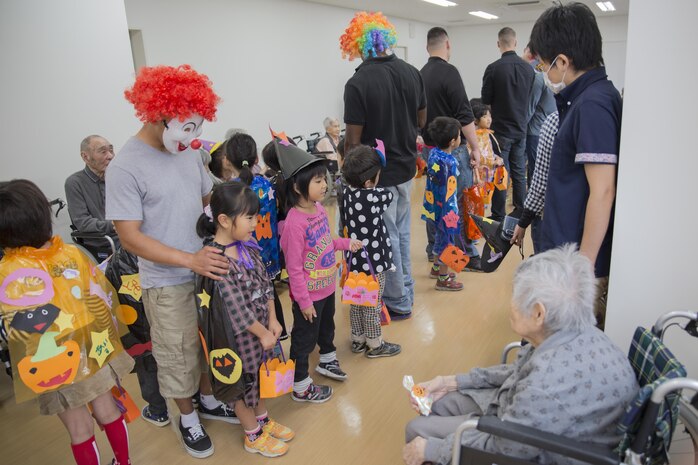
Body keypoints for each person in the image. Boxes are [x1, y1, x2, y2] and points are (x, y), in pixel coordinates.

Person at [402, 245, 638, 465]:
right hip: (521, 413)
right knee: (439, 401)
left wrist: (433, 450)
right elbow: (518, 370)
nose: (510, 304)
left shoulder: (545, 384)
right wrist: (450, 382)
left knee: (417, 430)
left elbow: (504, 447)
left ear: (538, 313)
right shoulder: (581, 332)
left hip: (543, 447)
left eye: (516, 296)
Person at [105, 65, 235, 459]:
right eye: (185, 127)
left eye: (197, 127)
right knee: (176, 353)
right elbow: (130, 236)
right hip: (165, 280)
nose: (192, 137)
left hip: (206, 270)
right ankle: (188, 419)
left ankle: (209, 401)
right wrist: (188, 260)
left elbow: (203, 201)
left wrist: (237, 200)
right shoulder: (125, 166)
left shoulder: (187, 152)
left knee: (206, 342)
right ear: (157, 113)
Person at [0, 179, 135, 465]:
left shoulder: (7, 271)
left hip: (50, 359)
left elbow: (10, 329)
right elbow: (102, 297)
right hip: (92, 345)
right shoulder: (72, 252)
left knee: (79, 428)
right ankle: (124, 463)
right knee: (109, 411)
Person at [529, 2, 622, 326]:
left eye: (544, 65)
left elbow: (603, 191)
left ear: (563, 62)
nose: (544, 73)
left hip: (578, 267)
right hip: (566, 254)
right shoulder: (585, 99)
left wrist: (582, 270)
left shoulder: (592, 104)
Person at [195, 182, 293, 457]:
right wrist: (262, 333)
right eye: (249, 217)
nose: (255, 223)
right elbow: (234, 307)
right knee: (242, 383)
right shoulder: (217, 260)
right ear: (224, 220)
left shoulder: (249, 248)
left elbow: (267, 284)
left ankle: (262, 419)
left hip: (263, 329)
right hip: (239, 337)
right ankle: (252, 434)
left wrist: (273, 320)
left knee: (259, 377)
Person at [342, 11, 426, 320]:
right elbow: (421, 121)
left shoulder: (358, 82)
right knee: (402, 234)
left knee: (386, 238)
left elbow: (352, 142)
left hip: (377, 178)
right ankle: (405, 293)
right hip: (406, 170)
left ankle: (397, 301)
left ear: (359, 45)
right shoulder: (412, 72)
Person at [276, 137, 362, 402]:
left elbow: (326, 242)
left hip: (325, 287)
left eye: (324, 179)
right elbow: (294, 268)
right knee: (303, 340)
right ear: (298, 187)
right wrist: (303, 301)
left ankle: (327, 359)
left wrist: (345, 243)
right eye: (317, 181)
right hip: (308, 297)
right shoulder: (294, 224)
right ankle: (301, 386)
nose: (325, 185)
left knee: (327, 328)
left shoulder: (319, 210)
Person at [420, 27, 483, 271]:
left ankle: (434, 248)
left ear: (427, 48)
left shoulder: (419, 74)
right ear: (448, 44)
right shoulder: (450, 72)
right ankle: (462, 253)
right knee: (457, 202)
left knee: (433, 198)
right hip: (453, 149)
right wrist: (475, 147)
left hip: (429, 148)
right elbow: (464, 114)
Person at [224, 133, 288, 340]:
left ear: (226, 160)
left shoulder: (230, 192)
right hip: (269, 250)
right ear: (256, 160)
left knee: (253, 299)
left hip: (246, 257)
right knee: (270, 293)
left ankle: (261, 337)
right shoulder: (266, 184)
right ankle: (281, 333)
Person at [340, 144, 401, 357]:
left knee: (356, 300)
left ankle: (357, 339)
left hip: (354, 260)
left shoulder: (346, 193)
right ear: (368, 182)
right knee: (373, 303)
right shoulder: (375, 197)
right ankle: (375, 345)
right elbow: (389, 196)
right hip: (374, 262)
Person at [481, 27, 534, 221]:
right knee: (519, 171)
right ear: (516, 42)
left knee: (500, 172)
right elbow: (527, 97)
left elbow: (486, 99)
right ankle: (521, 210)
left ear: (498, 44)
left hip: (500, 131)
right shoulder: (528, 69)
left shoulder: (493, 68)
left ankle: (498, 214)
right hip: (521, 128)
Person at [422, 117, 465, 291]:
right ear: (453, 141)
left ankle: (436, 268)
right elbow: (452, 187)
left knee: (440, 237)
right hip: (448, 209)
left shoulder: (433, 154)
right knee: (448, 241)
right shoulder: (451, 162)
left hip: (433, 206)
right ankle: (443, 278)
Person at [510, 112, 560, 254]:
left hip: (553, 215)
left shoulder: (555, 121)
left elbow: (541, 179)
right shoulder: (610, 110)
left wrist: (523, 221)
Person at [64, 135, 119, 260]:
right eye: (103, 151)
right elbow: (83, 223)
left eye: (111, 150)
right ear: (85, 157)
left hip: (126, 236)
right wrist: (114, 225)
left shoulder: (117, 177)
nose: (110, 156)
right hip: (103, 242)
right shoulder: (74, 182)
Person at [522, 45, 556, 187]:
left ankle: (533, 205)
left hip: (535, 131)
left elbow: (530, 107)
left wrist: (520, 127)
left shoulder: (540, 78)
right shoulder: (559, 80)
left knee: (535, 170)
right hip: (552, 131)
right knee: (547, 170)